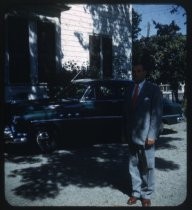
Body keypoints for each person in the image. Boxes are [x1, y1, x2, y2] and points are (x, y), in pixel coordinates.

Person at [124, 60, 163, 207]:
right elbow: (125, 113)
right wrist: (124, 132)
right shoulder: (129, 90)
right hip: (131, 136)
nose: (135, 73)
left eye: (138, 71)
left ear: (145, 72)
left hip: (147, 136)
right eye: (134, 71)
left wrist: (152, 135)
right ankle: (135, 192)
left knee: (148, 166)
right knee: (133, 165)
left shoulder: (153, 90)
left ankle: (146, 195)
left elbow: (157, 115)